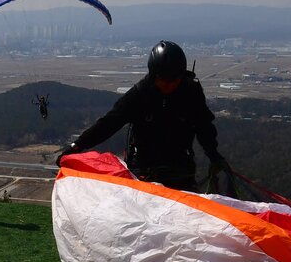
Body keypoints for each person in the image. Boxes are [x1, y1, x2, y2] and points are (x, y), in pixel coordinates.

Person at [60, 40, 225, 190]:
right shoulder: (140, 95)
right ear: (154, 75)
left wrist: (214, 155)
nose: (170, 85)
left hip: (179, 169)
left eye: (174, 80)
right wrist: (77, 146)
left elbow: (203, 126)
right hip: (144, 170)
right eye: (165, 80)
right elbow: (109, 123)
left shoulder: (190, 92)